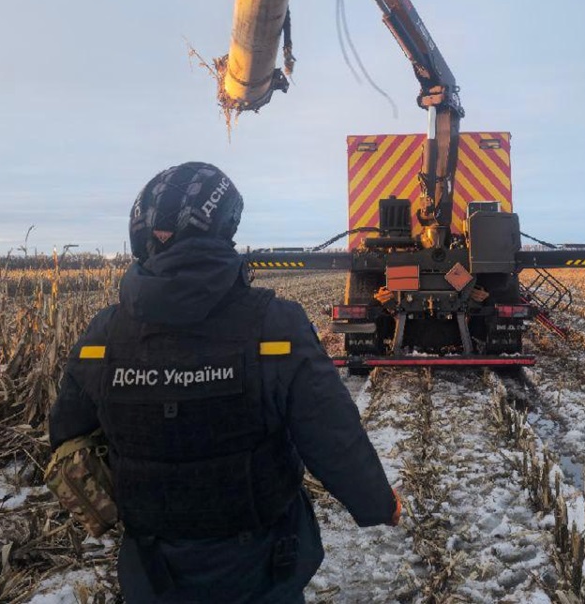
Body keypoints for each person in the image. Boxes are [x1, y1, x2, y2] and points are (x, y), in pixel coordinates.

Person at [48, 162, 400, 603]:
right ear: (224, 229)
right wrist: (378, 503)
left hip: (152, 569)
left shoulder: (105, 333)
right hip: (262, 564)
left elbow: (66, 434)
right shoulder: (274, 324)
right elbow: (331, 433)